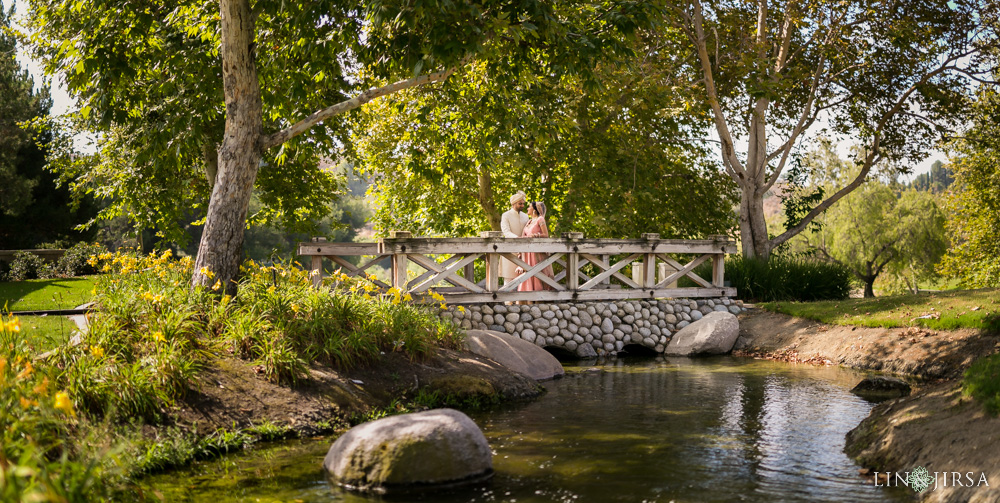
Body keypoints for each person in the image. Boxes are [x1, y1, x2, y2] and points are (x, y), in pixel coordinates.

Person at [517, 201, 555, 294]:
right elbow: (523, 235)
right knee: (527, 273)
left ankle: (539, 298)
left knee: (537, 273)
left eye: (529, 207)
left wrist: (535, 236)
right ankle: (527, 298)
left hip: (536, 252)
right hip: (527, 252)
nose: (527, 208)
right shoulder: (529, 222)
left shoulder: (540, 219)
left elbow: (545, 235)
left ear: (534, 209)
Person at [500, 190, 529, 285]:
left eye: (523, 204)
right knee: (509, 278)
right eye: (520, 204)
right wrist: (517, 238)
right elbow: (506, 231)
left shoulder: (526, 216)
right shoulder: (506, 215)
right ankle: (507, 300)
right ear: (514, 204)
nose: (522, 206)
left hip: (523, 250)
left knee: (524, 278)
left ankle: (521, 300)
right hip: (510, 249)